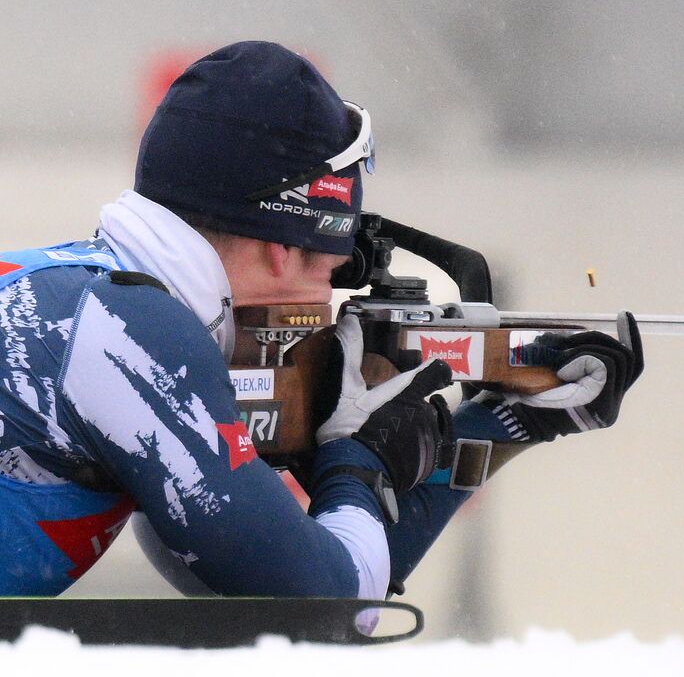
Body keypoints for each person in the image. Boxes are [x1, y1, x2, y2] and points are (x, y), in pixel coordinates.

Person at [0, 40, 642, 599]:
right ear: (282, 246)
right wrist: (351, 459)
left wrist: (504, 423)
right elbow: (323, 603)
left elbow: (250, 571)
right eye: (331, 271)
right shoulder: (130, 332)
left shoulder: (85, 297)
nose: (326, 301)